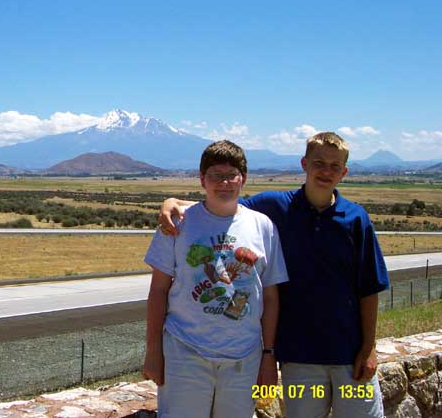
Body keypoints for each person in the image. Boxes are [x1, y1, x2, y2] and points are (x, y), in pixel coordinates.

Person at [158, 132, 390, 418]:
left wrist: (369, 347)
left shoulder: (356, 219)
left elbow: (369, 288)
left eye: (334, 166)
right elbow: (223, 205)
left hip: (350, 355)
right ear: (304, 163)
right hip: (298, 359)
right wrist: (174, 203)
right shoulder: (275, 207)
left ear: (344, 171)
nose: (325, 171)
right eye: (319, 163)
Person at [143, 140, 289, 418]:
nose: (224, 182)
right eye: (215, 175)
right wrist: (153, 351)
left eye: (231, 174)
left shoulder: (263, 226)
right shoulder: (177, 224)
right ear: (202, 179)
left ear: (243, 179)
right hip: (185, 352)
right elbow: (158, 291)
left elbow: (270, 296)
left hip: (244, 358)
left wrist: (269, 356)